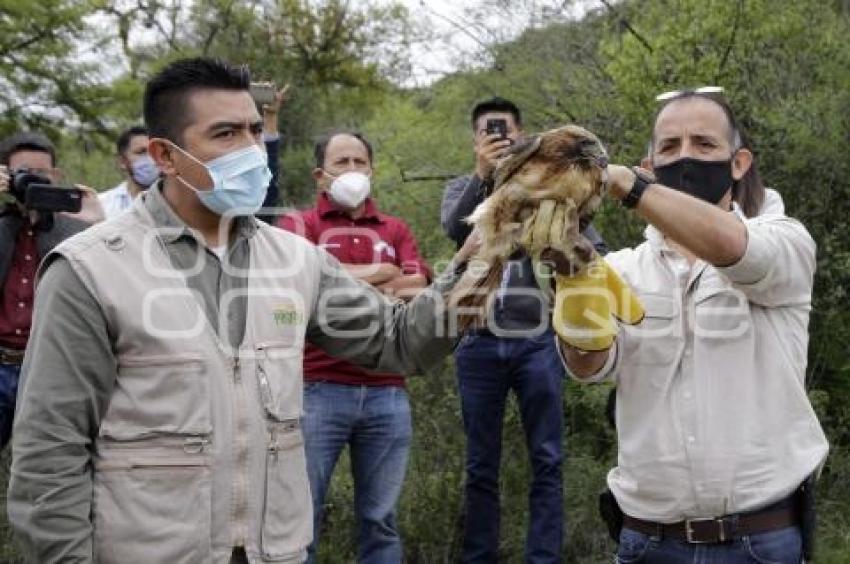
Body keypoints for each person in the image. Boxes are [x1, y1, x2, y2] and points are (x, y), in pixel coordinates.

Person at [7, 57, 478, 564]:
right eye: (226, 134)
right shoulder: (90, 269)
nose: (253, 151)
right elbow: (49, 453)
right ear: (166, 155)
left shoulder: (297, 259)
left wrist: (480, 263)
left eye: (256, 130)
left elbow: (398, 341)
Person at [555, 88, 828, 564]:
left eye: (704, 144)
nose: (685, 157)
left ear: (738, 162)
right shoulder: (621, 268)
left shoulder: (787, 242)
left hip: (762, 540)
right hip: (646, 541)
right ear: (649, 161)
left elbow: (736, 249)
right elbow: (588, 366)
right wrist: (571, 278)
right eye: (670, 146)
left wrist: (632, 189)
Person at [441, 97, 607, 563]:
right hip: (479, 342)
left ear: (524, 135)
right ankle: (479, 558)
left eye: (507, 131)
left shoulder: (552, 191)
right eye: (488, 133)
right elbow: (455, 228)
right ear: (475, 141)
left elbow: (596, 249)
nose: (499, 139)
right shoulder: (462, 188)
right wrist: (482, 175)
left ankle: (543, 559)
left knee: (548, 459)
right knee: (479, 466)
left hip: (538, 342)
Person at [279, 131, 431, 563]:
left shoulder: (395, 228)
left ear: (372, 169)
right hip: (317, 388)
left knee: (380, 520)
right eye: (341, 162)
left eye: (359, 162)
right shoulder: (299, 224)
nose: (352, 171)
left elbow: (415, 284)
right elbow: (300, 281)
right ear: (319, 175)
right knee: (300, 520)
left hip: (388, 390)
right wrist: (382, 271)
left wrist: (340, 279)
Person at [0, 132, 101, 450]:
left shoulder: (73, 229)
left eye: (41, 174)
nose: (32, 181)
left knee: (47, 458)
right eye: (23, 173)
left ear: (56, 177)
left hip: (47, 366)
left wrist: (96, 226)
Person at [99, 126, 159, 218]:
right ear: (122, 161)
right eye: (141, 152)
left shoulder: (179, 204)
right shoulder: (103, 206)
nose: (151, 159)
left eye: (153, 152)